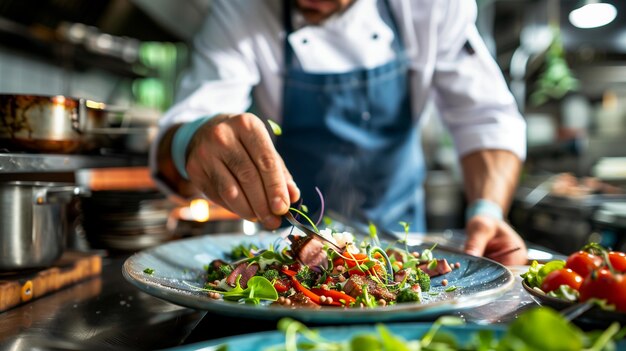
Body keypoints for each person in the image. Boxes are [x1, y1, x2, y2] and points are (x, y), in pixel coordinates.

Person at [150, 0, 528, 265]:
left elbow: (484, 115)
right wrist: (193, 140)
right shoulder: (240, 10)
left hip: (404, 250)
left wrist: (487, 209)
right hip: (290, 244)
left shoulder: (431, 6)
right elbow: (187, 125)